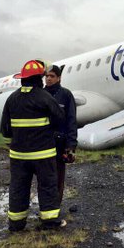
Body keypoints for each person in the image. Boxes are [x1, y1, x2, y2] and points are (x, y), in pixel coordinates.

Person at [1, 60, 65, 231]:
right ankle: (50, 222)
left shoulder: (12, 99)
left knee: (18, 188)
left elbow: (5, 130)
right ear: (39, 78)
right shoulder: (45, 97)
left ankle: (16, 223)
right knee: (47, 187)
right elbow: (60, 119)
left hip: (19, 156)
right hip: (43, 155)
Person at [45, 65, 78, 201]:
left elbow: (71, 120)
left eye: (52, 76)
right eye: (46, 76)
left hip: (59, 143)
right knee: (45, 177)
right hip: (43, 143)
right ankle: (45, 205)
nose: (48, 79)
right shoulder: (40, 94)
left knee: (58, 177)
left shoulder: (66, 95)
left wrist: (71, 145)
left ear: (59, 78)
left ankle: (55, 207)